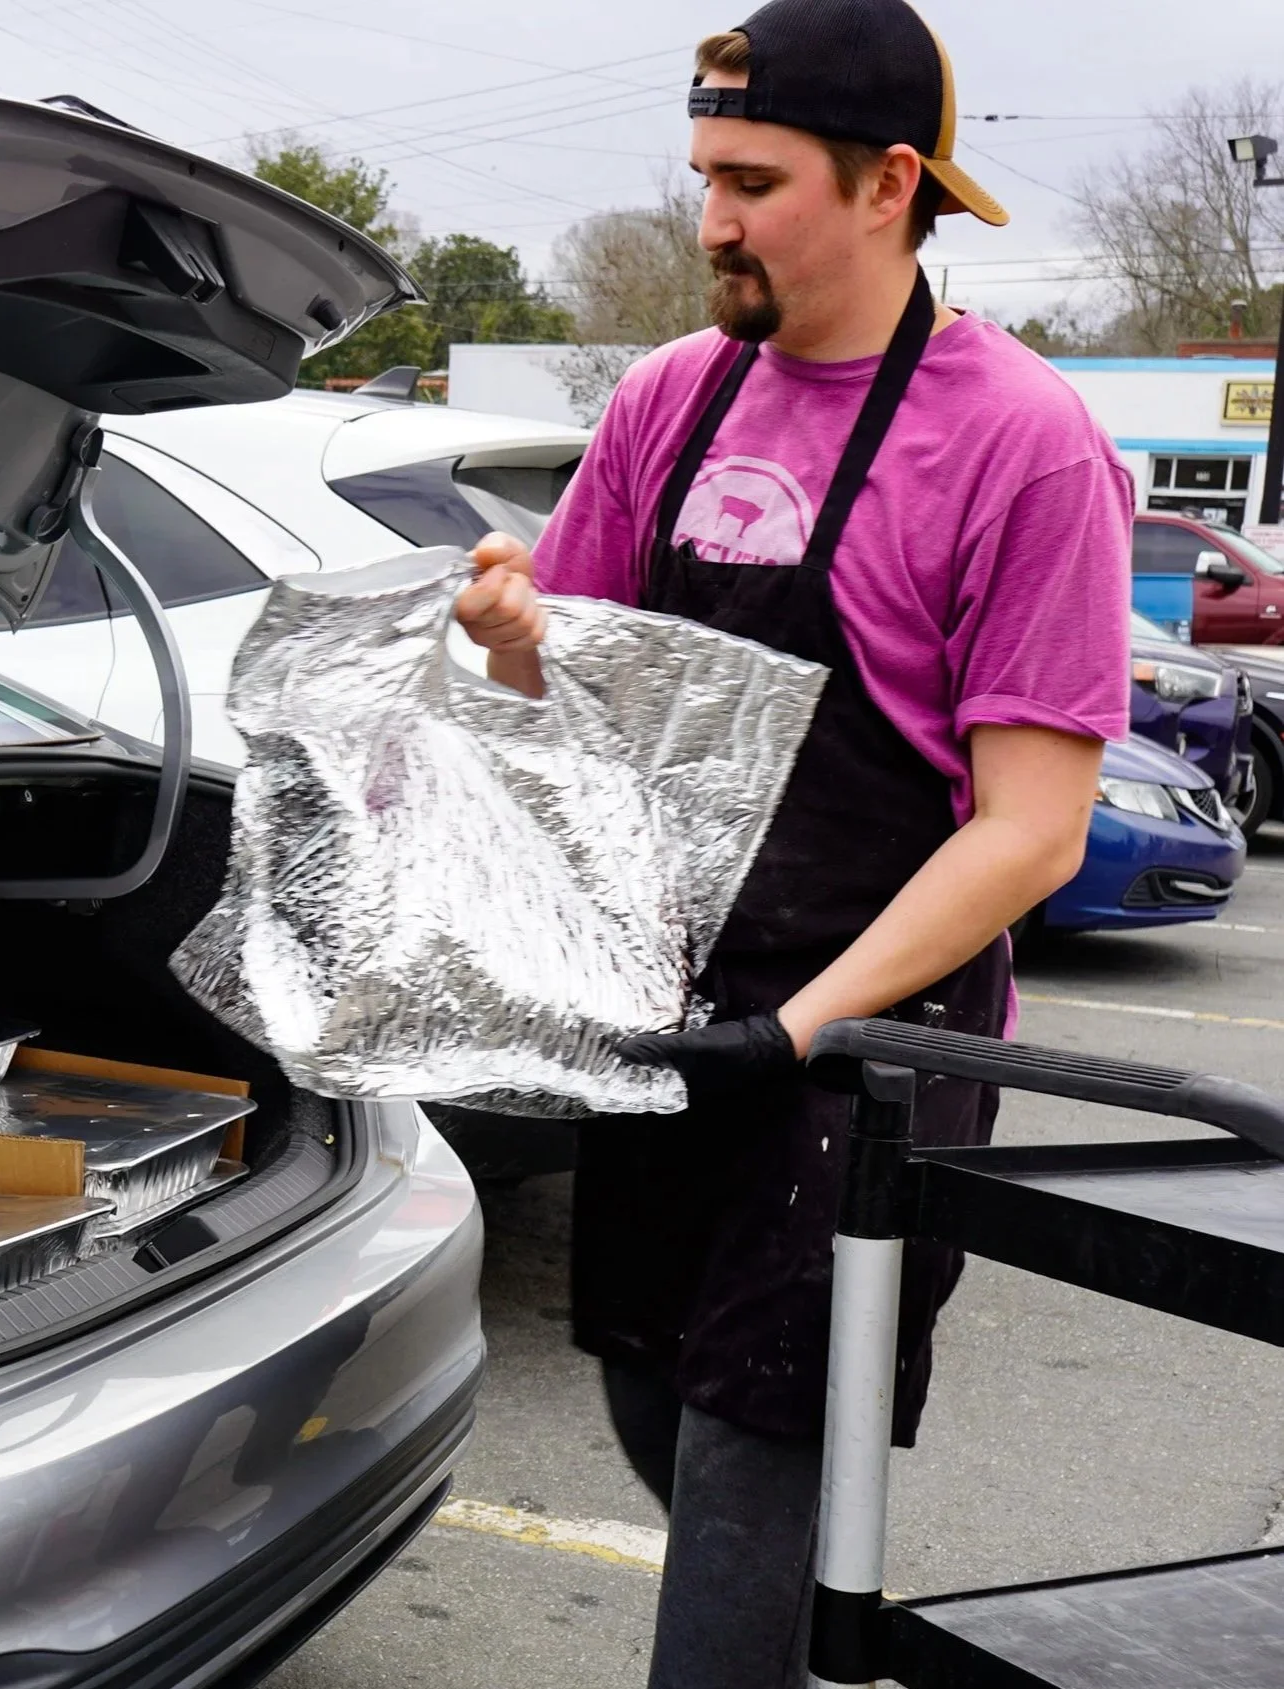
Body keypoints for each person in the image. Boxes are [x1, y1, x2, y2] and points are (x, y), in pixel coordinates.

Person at [456, 1, 1133, 1683]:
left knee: (750, 1493)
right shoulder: (672, 399)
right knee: (651, 1402)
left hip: (856, 1062)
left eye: (752, 183)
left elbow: (1032, 830)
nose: (710, 224)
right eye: (701, 176)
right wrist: (507, 633)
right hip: (674, 1019)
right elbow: (584, 683)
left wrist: (799, 1031)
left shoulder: (1018, 442)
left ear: (892, 182)